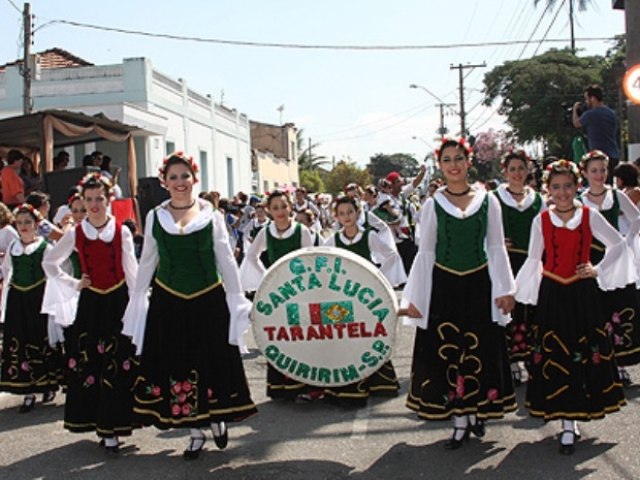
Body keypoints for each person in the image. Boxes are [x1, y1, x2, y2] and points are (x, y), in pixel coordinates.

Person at [121, 152, 257, 460]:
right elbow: (148, 261)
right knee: (177, 364)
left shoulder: (213, 215)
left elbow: (225, 260)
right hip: (169, 301)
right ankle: (195, 432)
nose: (180, 182)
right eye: (174, 177)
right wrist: (138, 297)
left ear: (194, 179)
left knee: (211, 360)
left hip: (208, 298)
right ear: (164, 182)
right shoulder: (156, 216)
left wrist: (236, 299)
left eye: (185, 176)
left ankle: (217, 417)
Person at [402, 137, 517, 450]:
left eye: (458, 159)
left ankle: (476, 409)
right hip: (444, 287)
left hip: (480, 285)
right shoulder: (432, 205)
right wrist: (415, 297)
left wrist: (506, 288)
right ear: (440, 166)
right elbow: (424, 252)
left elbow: (495, 246)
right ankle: (459, 420)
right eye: (447, 160)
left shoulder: (488, 200)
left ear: (469, 162)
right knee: (448, 351)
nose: (453, 165)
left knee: (480, 350)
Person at [515, 159, 632, 455]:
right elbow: (532, 259)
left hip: (582, 293)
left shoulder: (589, 215)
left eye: (568, 186)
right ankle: (566, 420)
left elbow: (617, 244)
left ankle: (575, 418)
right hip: (553, 293)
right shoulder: (540, 220)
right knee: (557, 354)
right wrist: (522, 293)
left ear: (576, 185)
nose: (563, 192)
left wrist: (597, 269)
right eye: (556, 187)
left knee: (583, 353)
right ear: (548, 189)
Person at [42, 173, 138, 454]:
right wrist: (74, 283)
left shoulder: (122, 231)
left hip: (118, 301)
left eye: (100, 199)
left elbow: (131, 271)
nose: (94, 205)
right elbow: (50, 263)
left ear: (109, 200)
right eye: (89, 200)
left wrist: (138, 305)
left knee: (119, 361)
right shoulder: (76, 233)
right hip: (92, 303)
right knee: (92, 363)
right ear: (82, 202)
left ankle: (116, 423)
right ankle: (103, 425)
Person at [321, 195, 406, 406]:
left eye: (350, 212)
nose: (346, 216)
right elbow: (323, 263)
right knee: (343, 337)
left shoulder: (369, 236)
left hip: (364, 298)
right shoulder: (333, 240)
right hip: (341, 297)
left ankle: (377, 383)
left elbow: (391, 256)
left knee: (367, 336)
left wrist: (375, 278)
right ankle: (345, 386)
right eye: (341, 213)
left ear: (358, 213)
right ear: (336, 216)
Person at [240, 189, 316, 401]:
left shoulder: (302, 231)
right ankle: (281, 387)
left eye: (283, 206)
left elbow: (309, 260)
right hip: (277, 294)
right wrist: (267, 275)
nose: (280, 211)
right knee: (281, 335)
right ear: (268, 211)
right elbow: (252, 256)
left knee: (302, 335)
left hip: (300, 291)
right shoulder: (266, 232)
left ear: (291, 207)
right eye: (275, 208)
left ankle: (307, 385)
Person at [578, 150, 640, 384]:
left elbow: (636, 219)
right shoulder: (579, 200)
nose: (599, 175)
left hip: (614, 258)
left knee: (620, 306)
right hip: (591, 258)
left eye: (603, 170)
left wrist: (625, 241)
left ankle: (621, 364)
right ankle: (601, 363)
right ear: (584, 173)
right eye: (594, 170)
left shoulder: (616, 196)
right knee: (597, 310)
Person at [0, 204, 61, 412]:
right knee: (21, 340)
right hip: (18, 299)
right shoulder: (13, 248)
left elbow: (54, 274)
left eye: (28, 222)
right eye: (20, 223)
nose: (24, 226)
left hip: (38, 298)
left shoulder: (45, 248)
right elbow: (8, 271)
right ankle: (28, 391)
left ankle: (46, 385)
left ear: (36, 224)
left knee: (39, 339)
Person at [493, 150, 545, 385]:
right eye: (512, 169)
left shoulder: (538, 199)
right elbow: (485, 228)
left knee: (529, 310)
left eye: (521, 168)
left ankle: (530, 358)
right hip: (505, 263)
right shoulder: (494, 198)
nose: (517, 173)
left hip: (531, 263)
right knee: (508, 310)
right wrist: (495, 242)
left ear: (528, 171)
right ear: (505, 172)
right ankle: (511, 361)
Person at [573, 85, 620, 183]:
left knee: (599, 184)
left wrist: (575, 110)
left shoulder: (590, 114)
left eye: (587, 99)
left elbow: (577, 123)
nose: (586, 102)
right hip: (613, 154)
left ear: (593, 98)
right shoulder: (612, 113)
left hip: (598, 156)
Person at [385, 165, 426, 275]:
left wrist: (422, 172)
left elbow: (414, 184)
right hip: (394, 236)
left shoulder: (402, 195)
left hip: (407, 233)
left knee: (412, 256)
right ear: (392, 185)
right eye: (398, 181)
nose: (401, 183)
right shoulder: (386, 200)